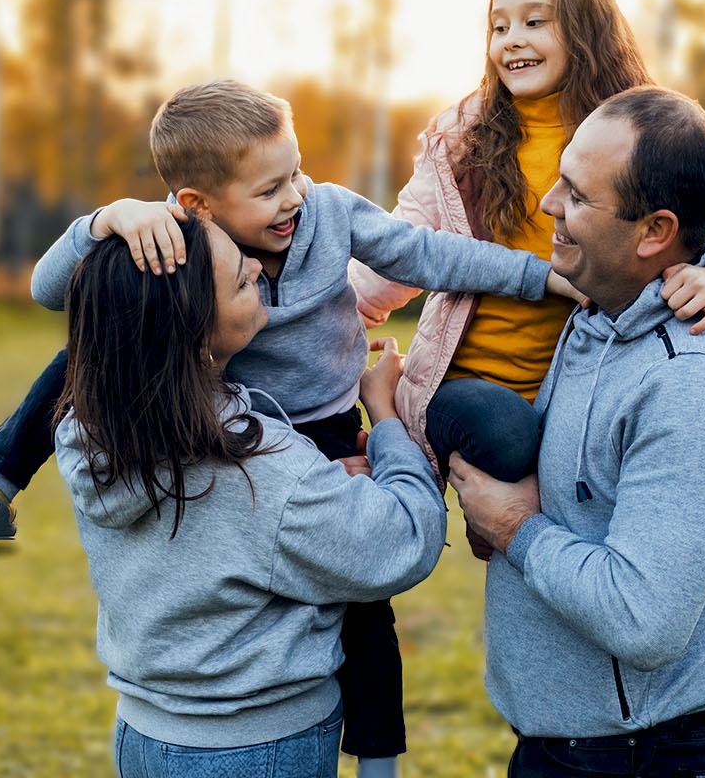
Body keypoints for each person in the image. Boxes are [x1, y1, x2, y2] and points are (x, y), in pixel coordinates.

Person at [0, 79, 580, 774]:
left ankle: (379, 759)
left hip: (319, 432)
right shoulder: (176, 240)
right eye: (268, 189)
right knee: (90, 350)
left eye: (294, 171)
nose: (293, 195)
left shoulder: (325, 213)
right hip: (220, 425)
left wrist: (542, 277)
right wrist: (108, 219)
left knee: (364, 600)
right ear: (199, 205)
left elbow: (434, 255)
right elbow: (58, 291)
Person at [447, 86, 705, 777]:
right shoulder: (599, 314)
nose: (549, 205)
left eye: (577, 197)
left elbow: (645, 619)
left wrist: (518, 529)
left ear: (654, 232)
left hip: (637, 755)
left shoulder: (696, 383)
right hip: (569, 746)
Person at [348, 0, 705, 488]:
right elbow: (400, 246)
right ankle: (396, 419)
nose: (512, 39)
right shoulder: (463, 141)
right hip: (466, 383)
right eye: (499, 26)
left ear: (587, 31)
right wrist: (317, 312)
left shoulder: (632, 134)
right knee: (506, 435)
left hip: (572, 384)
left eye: (535, 22)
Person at [54, 212, 444, 778]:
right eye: (240, 279)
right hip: (260, 747)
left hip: (142, 734)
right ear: (194, 334)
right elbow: (404, 540)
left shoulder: (87, 431)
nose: (259, 268)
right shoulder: (260, 469)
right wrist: (384, 417)